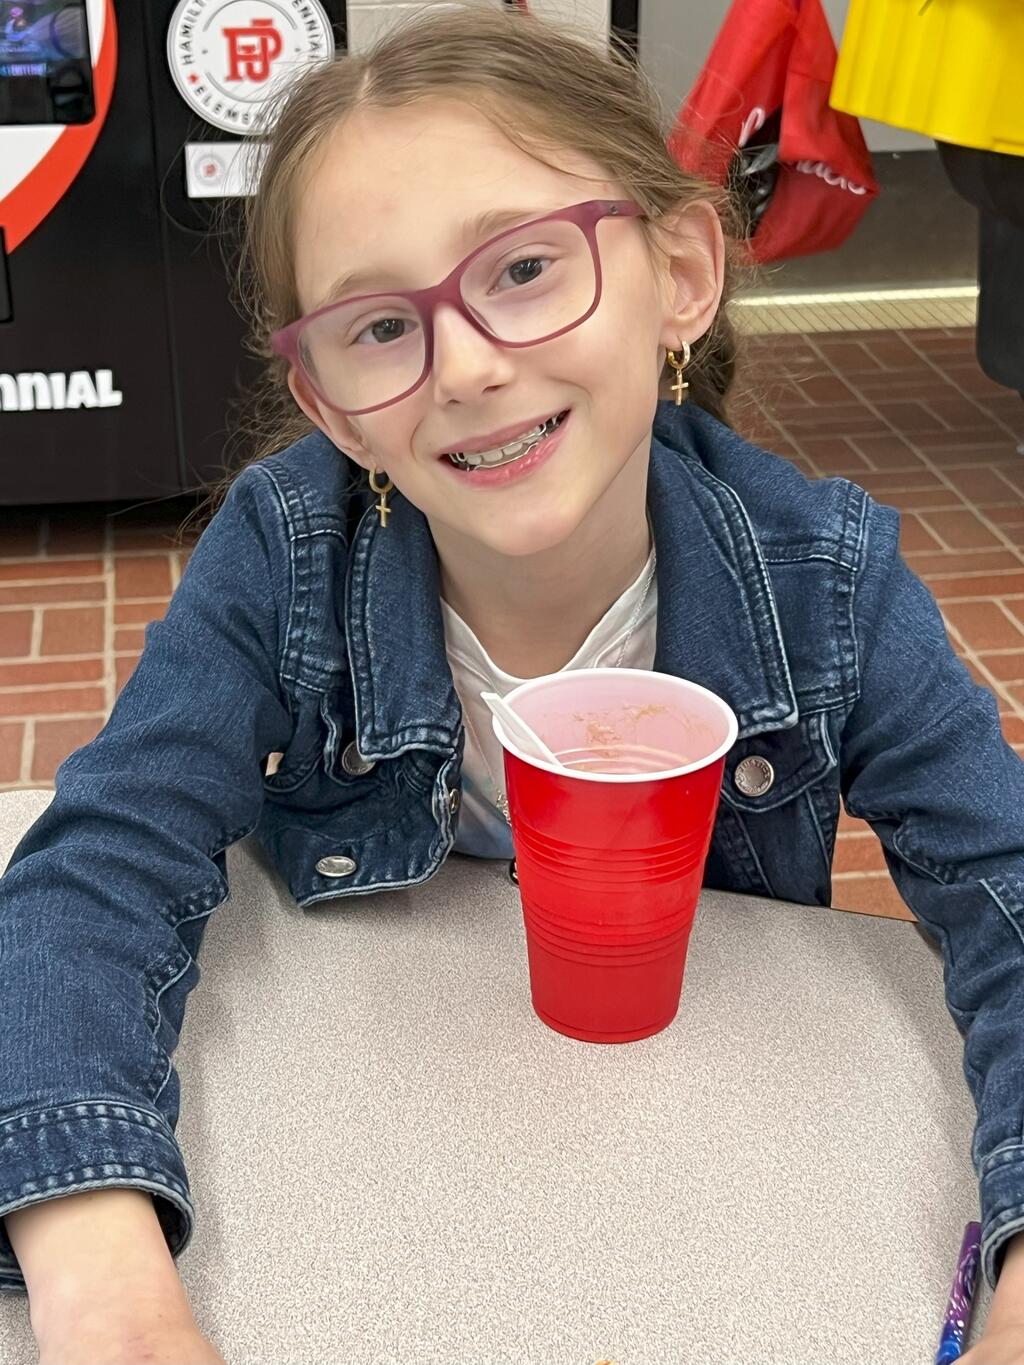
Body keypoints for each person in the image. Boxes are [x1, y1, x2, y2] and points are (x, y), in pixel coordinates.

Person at [1, 4, 1023, 1361]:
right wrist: (102, 1276)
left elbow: (1006, 883)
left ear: (680, 274)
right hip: (376, 1116)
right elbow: (95, 871)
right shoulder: (289, 554)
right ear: (328, 405)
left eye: (526, 267)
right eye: (379, 326)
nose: (470, 366)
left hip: (691, 1157)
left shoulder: (822, 576)